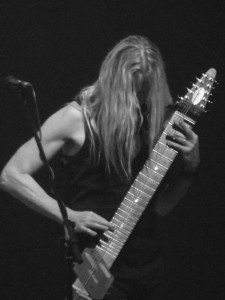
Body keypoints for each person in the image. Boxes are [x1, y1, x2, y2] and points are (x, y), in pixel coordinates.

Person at [0, 35, 199, 299]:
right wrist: (69, 216)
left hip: (147, 266)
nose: (139, 101)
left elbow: (162, 206)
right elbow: (12, 175)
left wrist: (190, 167)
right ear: (114, 81)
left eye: (145, 92)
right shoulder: (76, 118)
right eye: (132, 91)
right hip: (96, 263)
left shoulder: (153, 122)